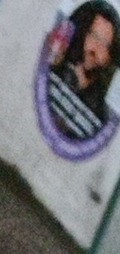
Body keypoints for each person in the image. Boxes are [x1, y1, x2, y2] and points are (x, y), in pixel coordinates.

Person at [44, 2, 119, 147]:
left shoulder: (100, 110)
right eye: (93, 35)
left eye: (103, 44)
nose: (93, 48)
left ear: (109, 58)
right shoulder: (57, 69)